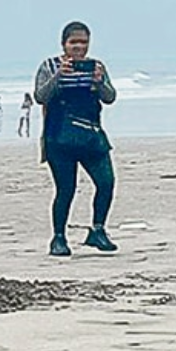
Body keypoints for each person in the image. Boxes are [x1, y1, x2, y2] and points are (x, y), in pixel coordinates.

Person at [34, 20, 119, 256]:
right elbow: (40, 96)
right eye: (74, 42)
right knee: (66, 189)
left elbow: (110, 97)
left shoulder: (96, 66)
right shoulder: (49, 66)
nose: (79, 47)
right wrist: (59, 76)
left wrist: (99, 82)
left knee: (106, 182)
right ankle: (59, 237)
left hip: (91, 135)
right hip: (58, 138)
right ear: (64, 44)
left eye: (83, 42)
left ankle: (98, 230)